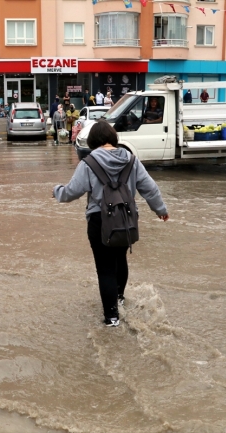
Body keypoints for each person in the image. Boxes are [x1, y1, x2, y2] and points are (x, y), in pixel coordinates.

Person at [52, 120, 169, 327]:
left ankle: (112, 318)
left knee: (105, 268)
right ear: (113, 138)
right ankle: (120, 300)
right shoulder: (132, 161)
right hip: (127, 219)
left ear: (93, 141)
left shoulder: (88, 163)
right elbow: (150, 188)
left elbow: (71, 192)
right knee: (120, 259)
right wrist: (160, 210)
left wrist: (56, 191)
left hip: (100, 221)